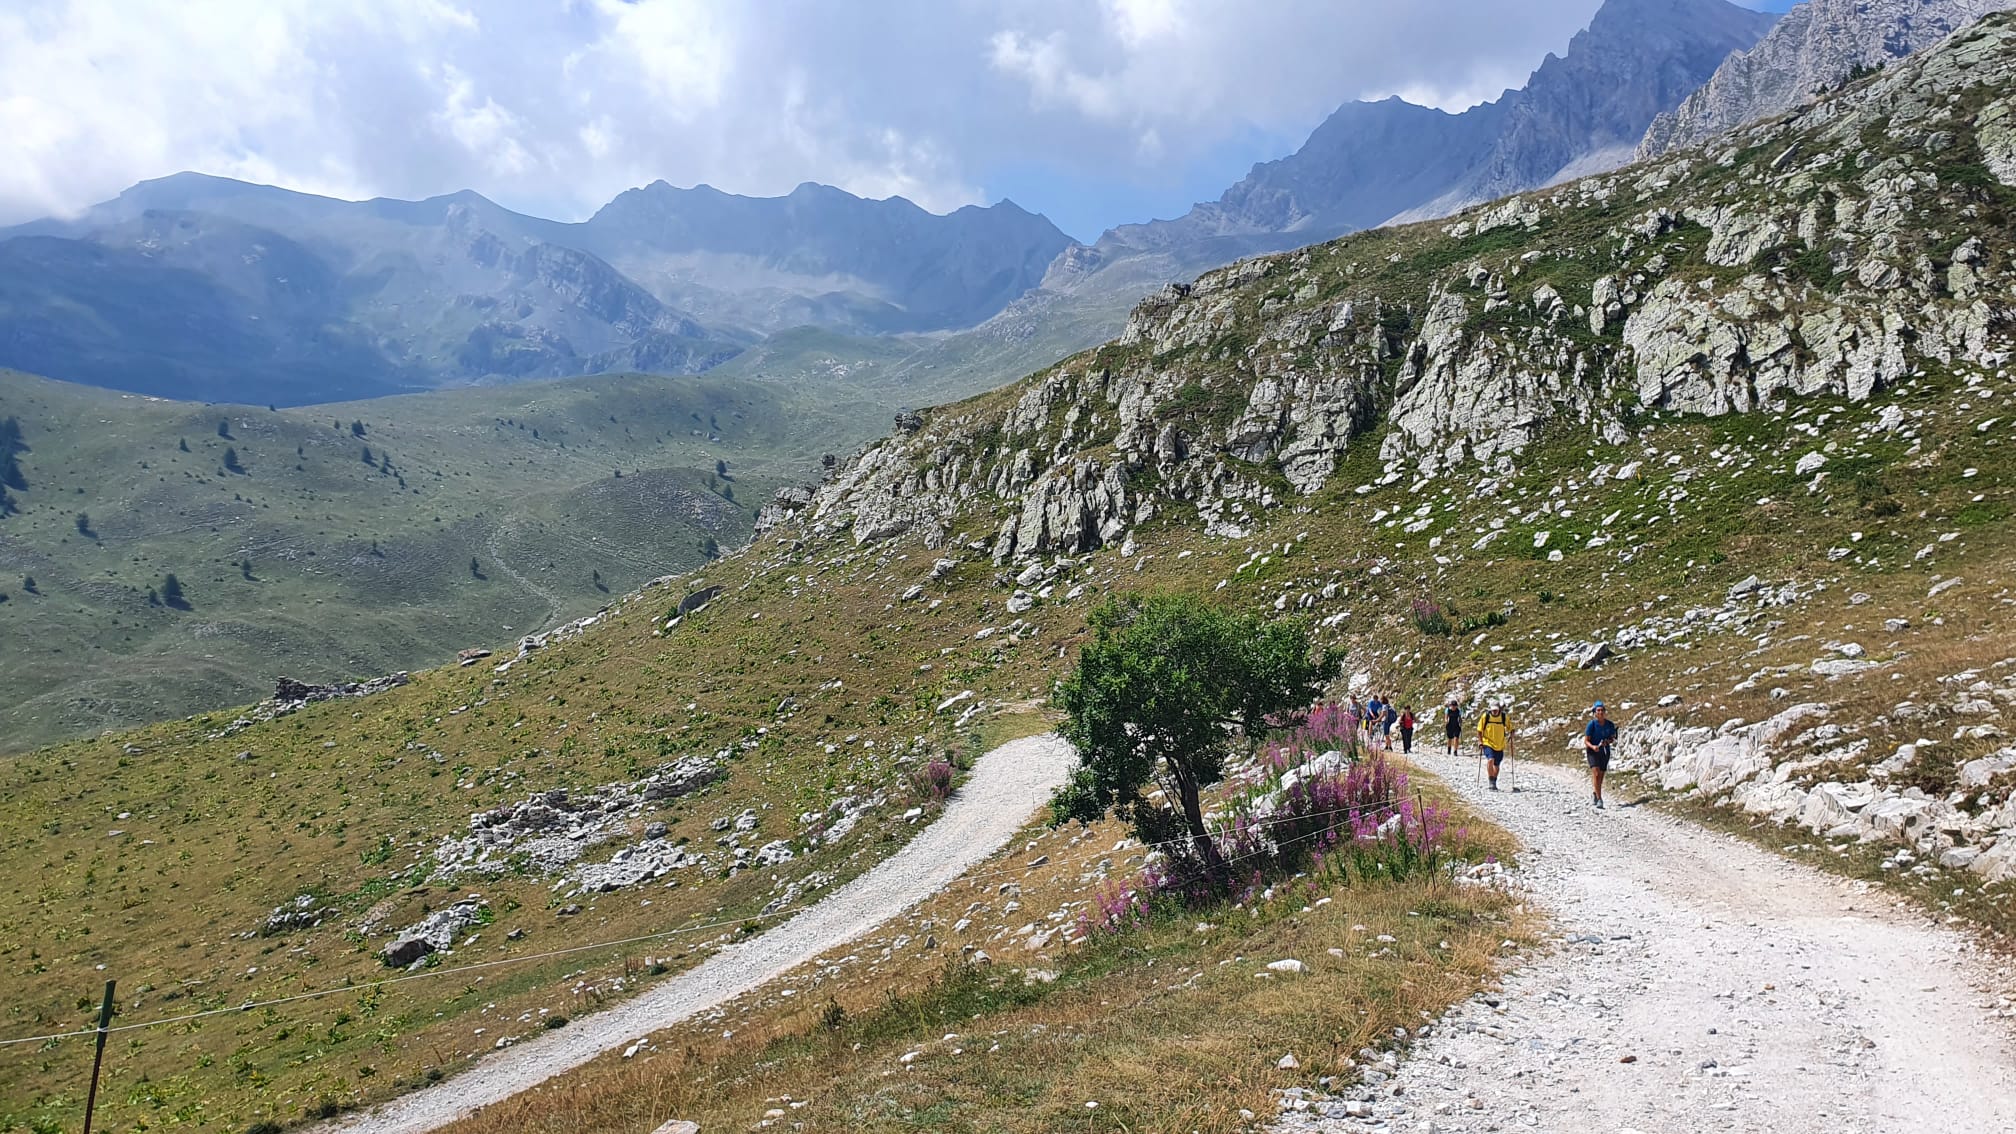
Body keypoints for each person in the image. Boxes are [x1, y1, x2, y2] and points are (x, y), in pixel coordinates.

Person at [1584, 700, 1618, 808]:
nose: (1600, 712)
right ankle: (1599, 799)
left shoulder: (1609, 724)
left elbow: (1612, 738)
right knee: (1597, 774)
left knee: (1601, 776)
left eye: (1602, 710)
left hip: (1604, 751)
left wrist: (1607, 742)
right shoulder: (1591, 725)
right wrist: (1593, 747)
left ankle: (1595, 792)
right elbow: (1586, 740)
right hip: (1592, 752)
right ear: (1594, 712)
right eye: (1598, 710)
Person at [1477, 698, 1513, 790]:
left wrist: (1511, 734)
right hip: (1487, 742)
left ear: (1499, 709)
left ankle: (1494, 780)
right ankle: (1491, 781)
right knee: (1490, 759)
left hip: (1500, 744)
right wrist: (1480, 741)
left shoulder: (1504, 717)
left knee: (1496, 765)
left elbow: (1511, 728)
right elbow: (1479, 730)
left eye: (1496, 710)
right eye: (1493, 710)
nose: (1494, 711)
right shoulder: (1486, 716)